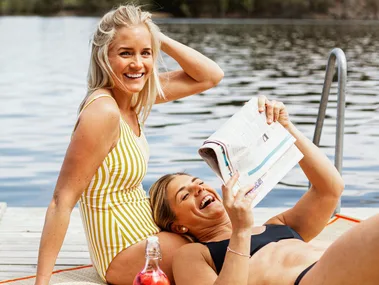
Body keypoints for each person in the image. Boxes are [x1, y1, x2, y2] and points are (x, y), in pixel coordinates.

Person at [35, 4, 224, 285]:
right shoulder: (103, 112)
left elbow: (211, 76)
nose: (138, 64)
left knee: (232, 236)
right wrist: (42, 281)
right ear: (104, 57)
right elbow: (62, 201)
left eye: (145, 53)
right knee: (226, 254)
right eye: (126, 53)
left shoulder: (133, 97)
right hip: (122, 251)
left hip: (147, 234)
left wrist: (157, 37)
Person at [149, 95, 379, 285]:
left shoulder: (278, 225)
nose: (198, 189)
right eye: (185, 195)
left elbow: (330, 189)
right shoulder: (194, 255)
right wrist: (240, 231)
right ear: (178, 225)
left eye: (199, 182)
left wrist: (286, 129)